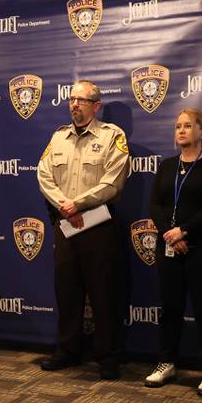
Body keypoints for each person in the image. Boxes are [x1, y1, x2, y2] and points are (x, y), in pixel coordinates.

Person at [36, 80, 130, 380]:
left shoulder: (112, 136)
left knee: (103, 292)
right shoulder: (59, 137)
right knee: (67, 290)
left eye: (82, 100)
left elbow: (113, 182)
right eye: (72, 99)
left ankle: (108, 356)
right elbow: (43, 174)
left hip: (98, 224)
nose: (75, 104)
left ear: (96, 105)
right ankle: (67, 350)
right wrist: (64, 204)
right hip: (65, 223)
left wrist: (77, 203)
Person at [145, 109, 202, 395]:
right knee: (170, 308)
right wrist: (170, 235)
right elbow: (155, 205)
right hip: (169, 247)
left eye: (188, 126)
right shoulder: (167, 166)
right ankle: (166, 362)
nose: (181, 131)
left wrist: (184, 231)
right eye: (178, 126)